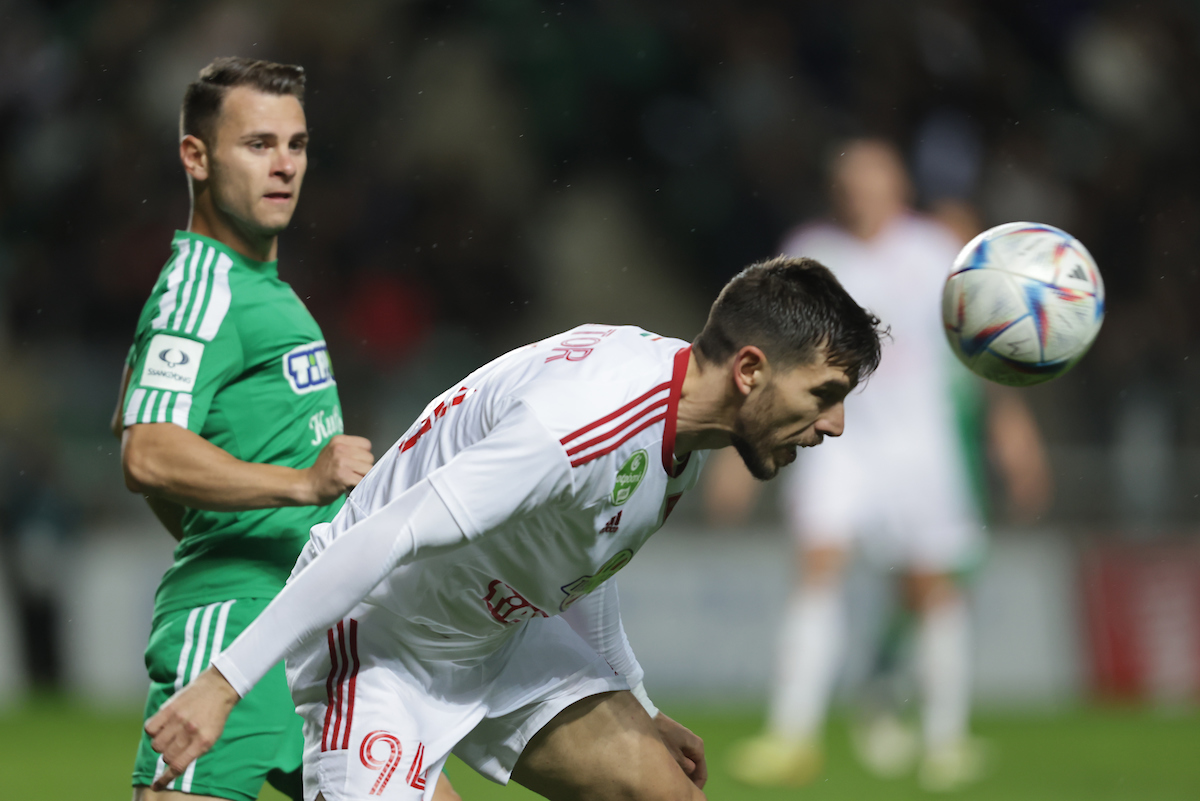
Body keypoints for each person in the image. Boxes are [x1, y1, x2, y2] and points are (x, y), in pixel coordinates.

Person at [141, 256, 885, 801]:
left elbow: (583, 559)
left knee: (665, 792)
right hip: (379, 644)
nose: (835, 424)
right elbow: (382, 534)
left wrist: (638, 700)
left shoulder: (685, 427)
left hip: (496, 637)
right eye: (824, 394)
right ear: (750, 370)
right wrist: (225, 681)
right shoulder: (580, 423)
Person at [720, 139, 1051, 792]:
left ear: (898, 187)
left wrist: (1013, 428)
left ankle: (944, 738)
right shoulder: (812, 252)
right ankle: (792, 734)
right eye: (850, 180)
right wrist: (737, 445)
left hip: (920, 446)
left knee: (931, 583)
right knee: (818, 562)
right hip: (836, 440)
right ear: (836, 190)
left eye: (874, 180)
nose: (861, 192)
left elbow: (978, 344)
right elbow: (768, 351)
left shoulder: (936, 250)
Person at [112, 56, 401, 801]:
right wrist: (300, 485)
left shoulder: (257, 286)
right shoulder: (200, 291)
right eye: (257, 144)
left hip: (309, 626)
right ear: (196, 156)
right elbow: (146, 449)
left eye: (296, 145)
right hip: (236, 629)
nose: (283, 167)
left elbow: (152, 432)